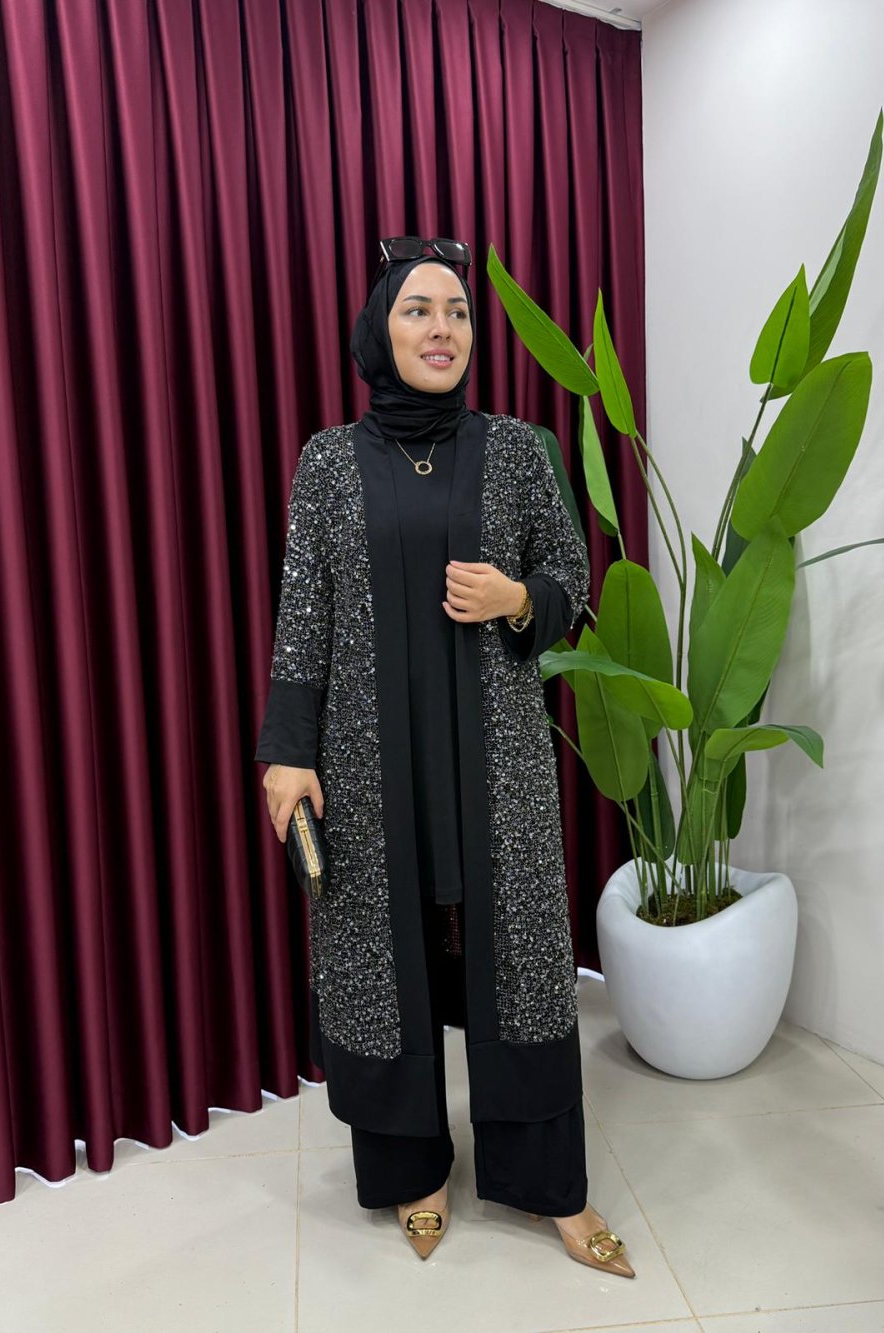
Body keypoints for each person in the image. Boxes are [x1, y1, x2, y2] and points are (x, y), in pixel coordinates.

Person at [255, 236, 634, 1276]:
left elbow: (571, 575)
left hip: (496, 765)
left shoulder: (514, 451)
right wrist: (286, 751)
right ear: (379, 330)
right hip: (370, 764)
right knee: (384, 959)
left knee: (523, 967)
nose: (442, 329)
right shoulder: (328, 462)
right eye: (418, 309)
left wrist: (517, 598)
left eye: (459, 312)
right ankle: (411, 1171)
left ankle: (550, 1185)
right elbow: (303, 617)